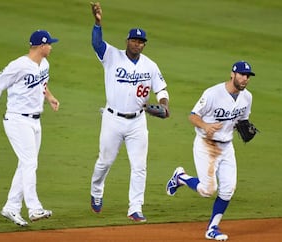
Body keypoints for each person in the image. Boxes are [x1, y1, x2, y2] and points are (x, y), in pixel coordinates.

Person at [89, 2, 170, 222]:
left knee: (139, 166)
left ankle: (135, 207)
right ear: (127, 41)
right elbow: (97, 44)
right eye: (134, 40)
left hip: (137, 122)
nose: (138, 44)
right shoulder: (112, 56)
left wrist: (164, 104)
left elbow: (161, 89)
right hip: (112, 119)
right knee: (104, 162)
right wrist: (98, 23)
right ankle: (96, 191)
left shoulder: (150, 66)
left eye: (141, 41)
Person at [0, 30, 60, 226]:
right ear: (41, 46)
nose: (52, 47)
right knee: (30, 163)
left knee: (26, 164)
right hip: (17, 121)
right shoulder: (18, 65)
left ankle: (11, 207)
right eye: (50, 44)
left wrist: (50, 97)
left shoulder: (44, 64)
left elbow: (42, 85)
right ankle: (34, 208)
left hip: (36, 121)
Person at [166, 61, 256, 240]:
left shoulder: (247, 97)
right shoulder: (213, 94)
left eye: (248, 76)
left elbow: (242, 120)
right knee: (208, 190)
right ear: (232, 74)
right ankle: (180, 177)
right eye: (242, 75)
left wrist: (244, 128)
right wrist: (205, 125)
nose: (245, 79)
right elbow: (192, 116)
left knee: (228, 190)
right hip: (206, 144)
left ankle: (212, 228)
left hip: (227, 146)